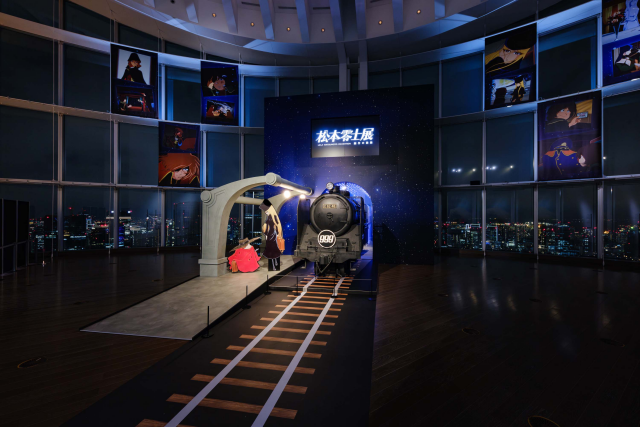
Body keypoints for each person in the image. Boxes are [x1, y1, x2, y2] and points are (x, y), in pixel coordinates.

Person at [259, 199, 282, 271]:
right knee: (273, 249)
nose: (265, 212)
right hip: (272, 235)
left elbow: (266, 227)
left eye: (266, 211)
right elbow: (277, 226)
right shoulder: (273, 216)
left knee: (271, 250)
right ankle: (275, 264)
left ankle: (274, 265)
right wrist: (278, 234)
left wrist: (266, 233)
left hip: (271, 235)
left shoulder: (271, 217)